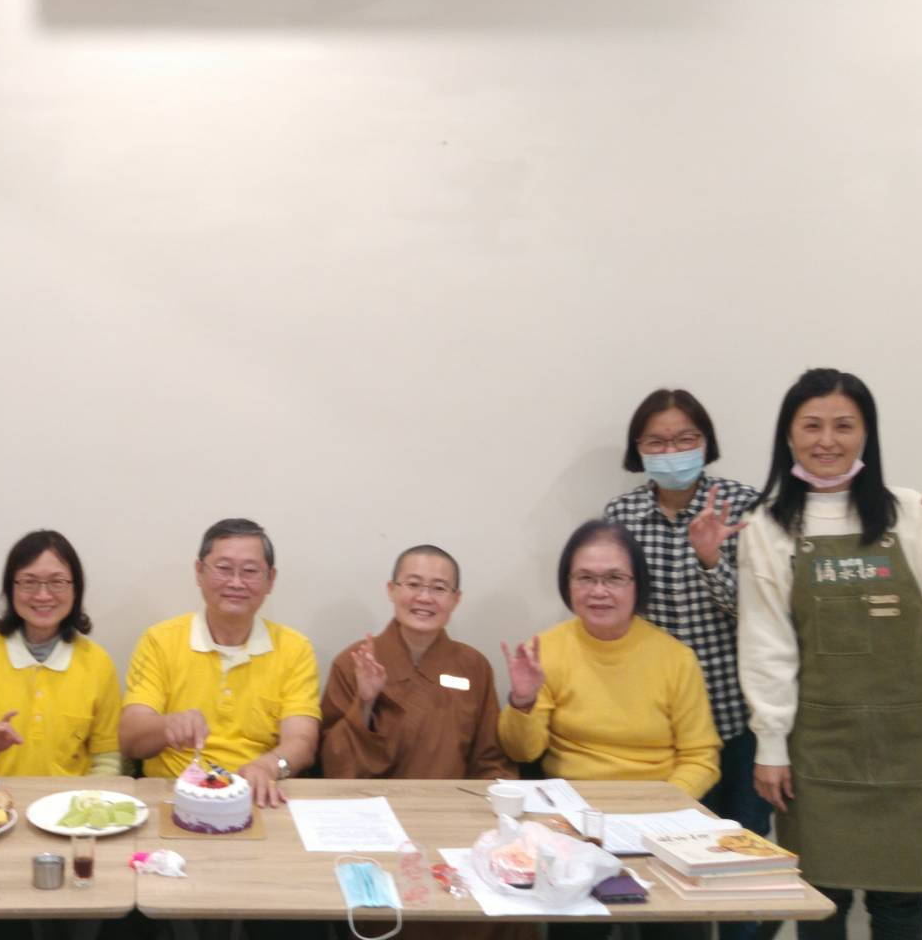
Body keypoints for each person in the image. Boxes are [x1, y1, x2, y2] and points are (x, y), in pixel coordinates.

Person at [738, 368, 922, 940]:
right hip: (820, 741)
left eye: (844, 425)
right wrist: (770, 745)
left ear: (866, 434)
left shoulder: (908, 511)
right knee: (822, 899)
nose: (827, 440)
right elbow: (767, 645)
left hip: (911, 740)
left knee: (901, 902)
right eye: (812, 425)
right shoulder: (768, 526)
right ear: (789, 435)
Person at [602, 389, 771, 911]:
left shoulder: (744, 505)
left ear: (705, 442)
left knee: (741, 868)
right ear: (638, 449)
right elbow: (615, 612)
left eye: (684, 439)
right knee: (666, 870)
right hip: (656, 725)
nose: (671, 451)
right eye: (656, 441)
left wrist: (711, 559)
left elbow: (765, 615)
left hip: (734, 717)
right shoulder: (622, 515)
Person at [499, 520, 721, 799]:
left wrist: (661, 805)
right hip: (569, 803)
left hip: (655, 804)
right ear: (567, 584)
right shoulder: (543, 650)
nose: (599, 591)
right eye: (585, 578)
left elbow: (700, 758)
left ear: (637, 584)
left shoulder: (677, 659)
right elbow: (522, 752)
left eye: (614, 578)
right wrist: (523, 702)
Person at [119, 518, 320, 808]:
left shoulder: (294, 649)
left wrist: (270, 765)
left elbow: (302, 741)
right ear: (199, 572)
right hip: (172, 795)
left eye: (249, 571)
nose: (236, 582)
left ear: (271, 580)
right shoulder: (160, 641)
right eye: (224, 569)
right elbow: (130, 739)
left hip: (257, 795)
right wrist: (165, 725)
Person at [0, 530, 123, 777]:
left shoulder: (97, 662)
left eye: (57, 582)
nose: (43, 595)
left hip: (67, 799)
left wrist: (85, 800)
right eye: (29, 582)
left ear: (76, 589)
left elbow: (107, 761)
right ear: (10, 588)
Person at [320, 544, 515, 782]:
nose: (424, 598)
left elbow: (490, 759)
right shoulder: (353, 662)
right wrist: (365, 703)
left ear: (456, 599)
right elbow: (333, 763)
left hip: (452, 802)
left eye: (439, 588)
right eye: (413, 584)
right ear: (391, 590)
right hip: (372, 801)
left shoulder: (474, 666)